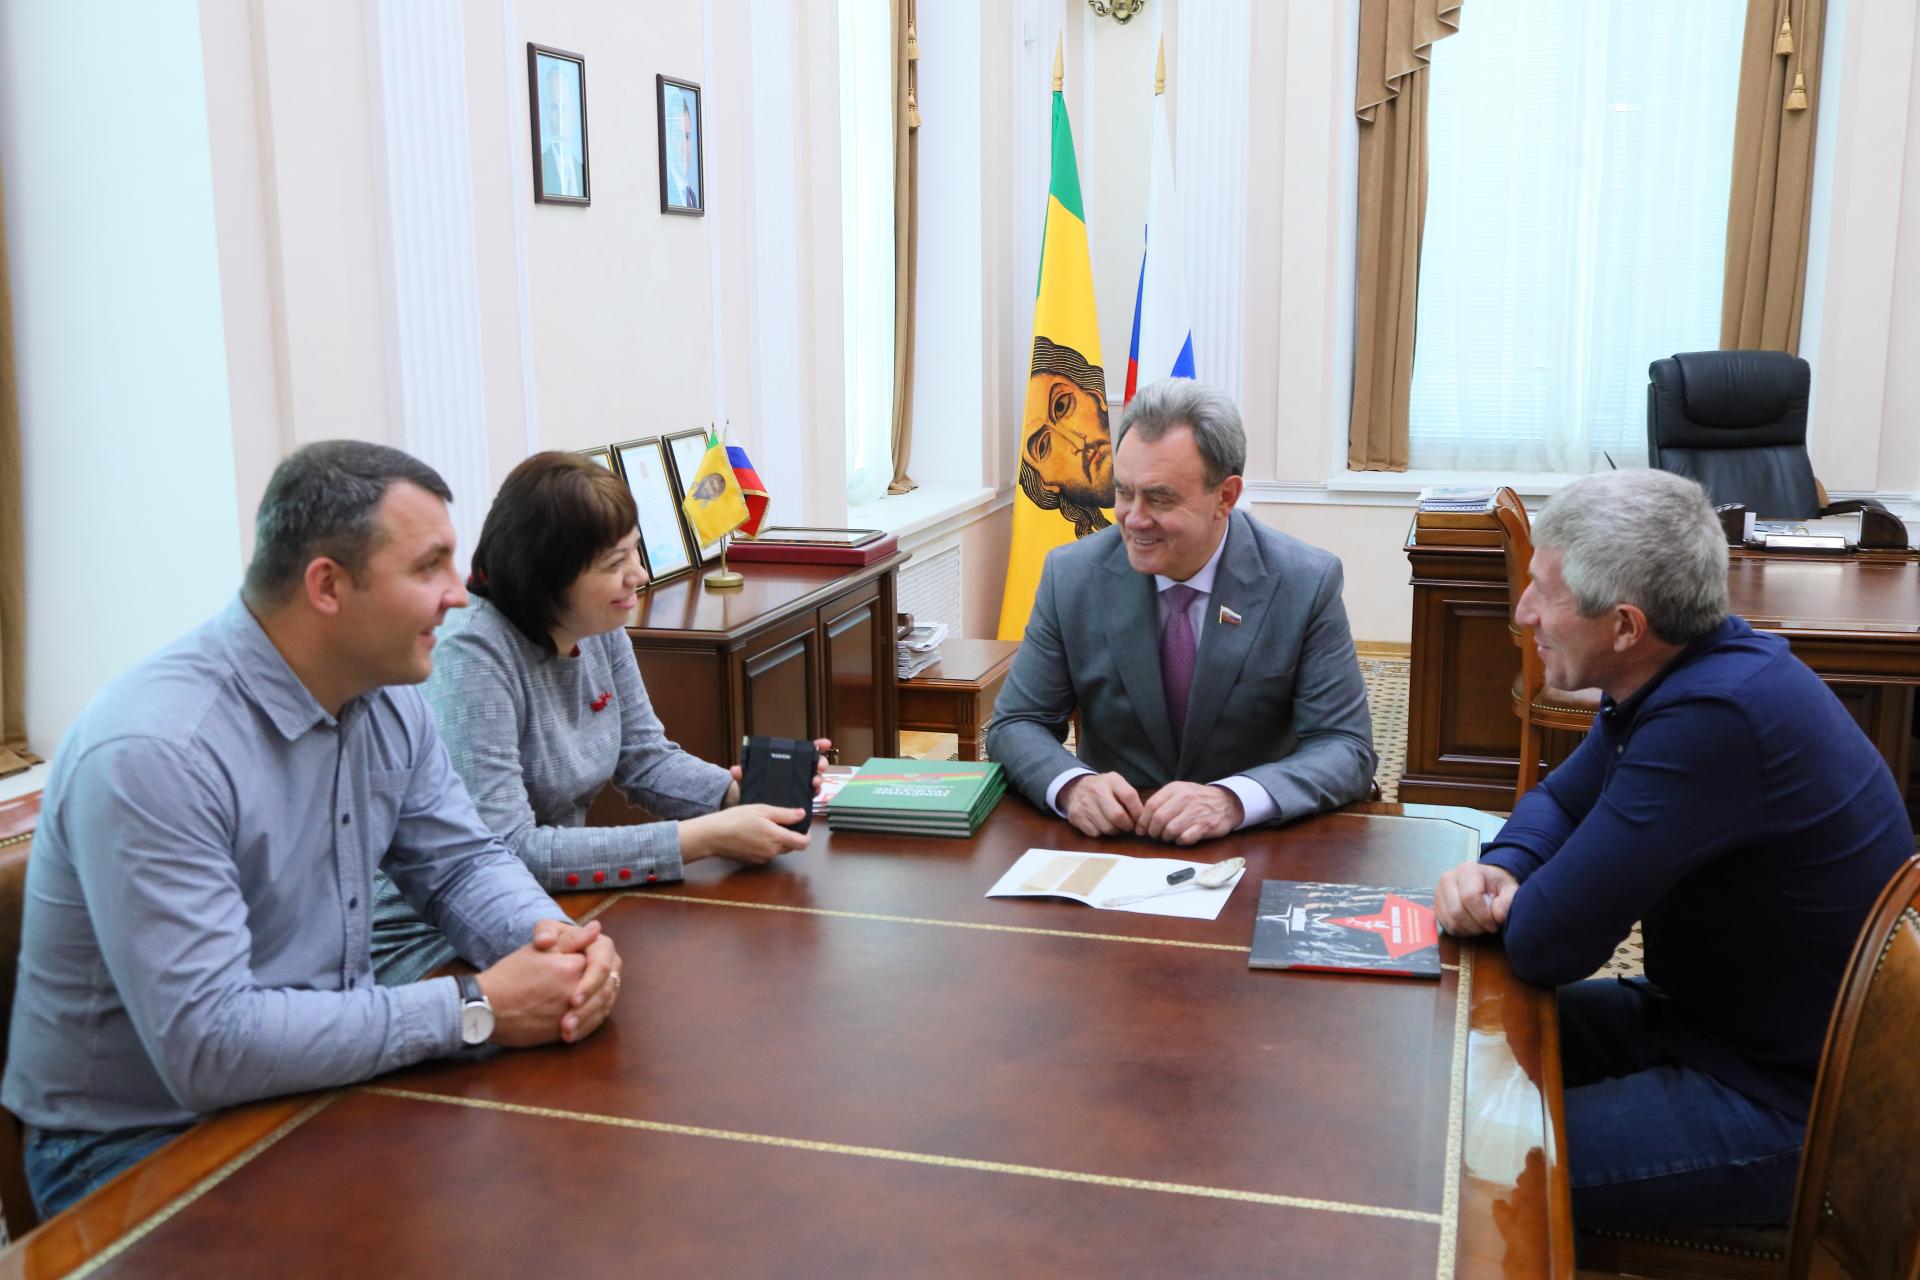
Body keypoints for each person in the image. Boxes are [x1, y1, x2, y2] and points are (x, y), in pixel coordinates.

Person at [2, 442, 622, 1218]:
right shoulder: (158, 750)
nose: (459, 595)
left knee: (547, 1208)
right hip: (141, 1148)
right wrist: (477, 1006)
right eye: (428, 567)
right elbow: (211, 1045)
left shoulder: (387, 693)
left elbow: (464, 863)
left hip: (313, 1085)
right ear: (327, 585)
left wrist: (554, 948)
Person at [1434, 468, 1914, 1230]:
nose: (1522, 613)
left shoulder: (1715, 720)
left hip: (1791, 1106)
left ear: (1625, 627)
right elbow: (1560, 800)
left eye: (1543, 593)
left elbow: (1547, 944)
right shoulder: (1682, 670)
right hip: (1708, 1025)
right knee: (1452, 1044)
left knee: (1468, 1162)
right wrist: (1504, 867)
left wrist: (1520, 902)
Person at [371, 452, 820, 985]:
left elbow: (645, 758)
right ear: (545, 577)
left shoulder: (598, 624)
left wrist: (735, 797)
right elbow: (509, 850)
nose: (639, 575)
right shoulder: (471, 654)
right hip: (435, 942)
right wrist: (701, 838)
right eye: (613, 563)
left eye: (635, 551)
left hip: (551, 911)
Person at [987, 377, 1376, 845]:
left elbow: (1345, 747)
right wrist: (1072, 786)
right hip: (1117, 843)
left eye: (1160, 497)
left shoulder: (1304, 582)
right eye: (1124, 492)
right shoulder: (1072, 576)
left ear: (1225, 497)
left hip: (1253, 844)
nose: (1134, 519)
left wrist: (1233, 800)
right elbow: (1016, 724)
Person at [1019, 336, 1115, 538]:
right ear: (1045, 483)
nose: (1077, 442)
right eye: (1043, 446)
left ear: (1096, 395)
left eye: (1061, 406)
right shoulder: (1065, 558)